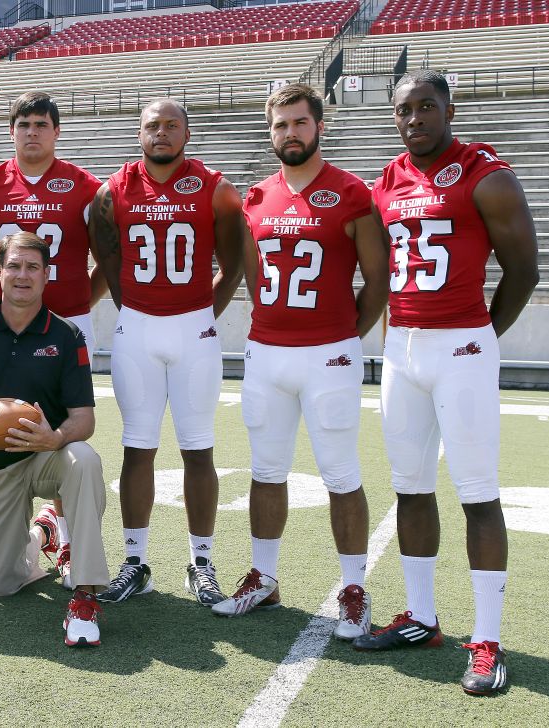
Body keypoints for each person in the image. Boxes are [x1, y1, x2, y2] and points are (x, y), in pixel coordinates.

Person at [352, 71, 538, 696]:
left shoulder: (485, 171)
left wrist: (480, 334)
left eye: (426, 107)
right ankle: (423, 618)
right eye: (404, 111)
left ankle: (486, 638)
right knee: (409, 489)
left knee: (478, 494)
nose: (414, 120)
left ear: (449, 109)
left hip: (460, 344)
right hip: (401, 350)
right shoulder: (387, 179)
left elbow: (525, 269)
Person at [209, 84, 388, 641]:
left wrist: (342, 338)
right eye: (281, 124)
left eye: (300, 123)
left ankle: (353, 587)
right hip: (266, 351)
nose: (291, 133)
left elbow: (378, 282)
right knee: (266, 471)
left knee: (340, 473)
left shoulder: (351, 193)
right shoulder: (255, 198)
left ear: (319, 127)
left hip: (328, 352)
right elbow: (253, 276)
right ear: (270, 132)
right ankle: (264, 577)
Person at [89, 99, 244, 605]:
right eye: (152, 125)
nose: (161, 133)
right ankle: (135, 561)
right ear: (139, 134)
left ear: (187, 133)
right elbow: (107, 255)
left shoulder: (215, 188)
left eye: (171, 125)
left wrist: (201, 312)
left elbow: (233, 263)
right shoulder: (113, 191)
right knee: (138, 448)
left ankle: (202, 561)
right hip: (137, 329)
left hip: (193, 330)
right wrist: (131, 306)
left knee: (198, 449)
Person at [0, 231, 110, 647]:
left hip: (48, 458)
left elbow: (85, 418)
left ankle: (85, 594)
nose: (22, 275)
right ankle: (42, 533)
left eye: (33, 267)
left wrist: (56, 437)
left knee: (83, 457)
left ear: (47, 276)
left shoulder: (67, 335)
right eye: (14, 266)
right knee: (1, 585)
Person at [0, 91, 104, 588]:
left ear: (57, 131)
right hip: (5, 325)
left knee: (60, 433)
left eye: (42, 124)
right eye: (23, 123)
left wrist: (82, 299)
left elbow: (108, 255)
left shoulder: (83, 185)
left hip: (64, 321)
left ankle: (62, 532)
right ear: (11, 130)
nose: (32, 132)